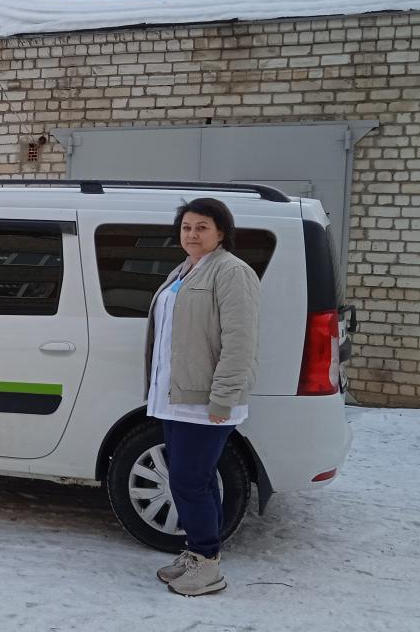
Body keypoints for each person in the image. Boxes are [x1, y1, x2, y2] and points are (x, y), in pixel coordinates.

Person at [144, 197, 260, 596]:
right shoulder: (184, 270)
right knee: (197, 478)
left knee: (188, 482)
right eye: (186, 227)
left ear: (221, 232)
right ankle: (197, 553)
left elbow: (240, 342)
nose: (192, 234)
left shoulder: (231, 271)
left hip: (205, 400)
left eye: (202, 227)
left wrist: (223, 397)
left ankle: (207, 565)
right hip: (176, 398)